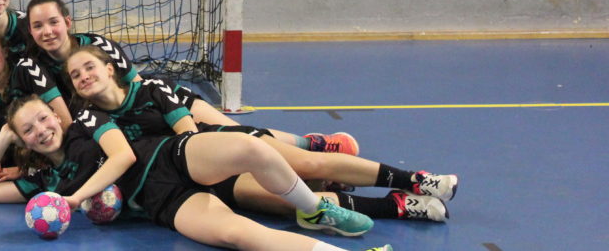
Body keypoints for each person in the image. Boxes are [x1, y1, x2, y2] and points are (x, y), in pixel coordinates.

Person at [67, 45, 456, 222]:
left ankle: (416, 180)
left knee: (306, 162)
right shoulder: (92, 118)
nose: (84, 77)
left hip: (218, 151)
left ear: (109, 68)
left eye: (89, 68)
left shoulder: (151, 88)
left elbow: (188, 134)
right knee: (283, 203)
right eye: (75, 75)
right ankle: (397, 207)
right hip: (191, 179)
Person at [0, 95, 393, 251]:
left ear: (54, 117)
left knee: (249, 147)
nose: (41, 130)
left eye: (42, 119)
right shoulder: (45, 184)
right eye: (29, 130)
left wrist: (75, 199)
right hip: (161, 201)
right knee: (239, 235)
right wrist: (3, 136)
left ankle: (312, 208)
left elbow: (122, 159)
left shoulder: (85, 122)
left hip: (168, 158)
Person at [26, 0, 363, 154]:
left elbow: (140, 90)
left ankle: (313, 145)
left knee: (235, 131)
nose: (47, 31)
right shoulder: (35, 66)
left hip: (158, 105)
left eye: (53, 22)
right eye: (38, 26)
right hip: (125, 124)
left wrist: (167, 119)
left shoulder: (98, 46)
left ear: (67, 23)